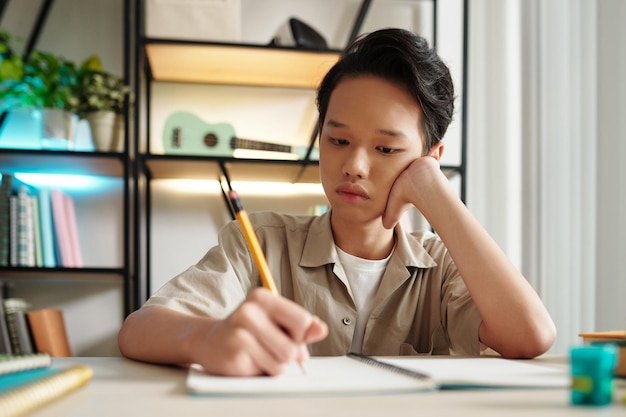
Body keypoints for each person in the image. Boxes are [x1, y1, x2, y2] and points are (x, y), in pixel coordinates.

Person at [118, 28, 556, 376]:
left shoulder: (441, 265)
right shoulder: (259, 243)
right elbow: (138, 330)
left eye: (386, 149)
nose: (355, 166)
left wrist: (436, 191)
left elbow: (531, 335)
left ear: (430, 157)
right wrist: (207, 338)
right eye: (338, 139)